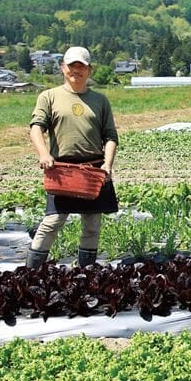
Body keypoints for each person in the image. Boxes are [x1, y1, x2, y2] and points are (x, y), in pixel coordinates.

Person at [26, 46, 119, 268]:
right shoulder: (49, 96)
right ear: (63, 68)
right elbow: (36, 128)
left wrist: (107, 164)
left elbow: (111, 137)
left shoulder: (100, 100)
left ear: (89, 70)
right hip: (62, 168)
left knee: (92, 225)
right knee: (53, 221)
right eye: (71, 66)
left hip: (94, 169)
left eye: (81, 66)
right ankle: (31, 272)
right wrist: (44, 154)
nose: (76, 71)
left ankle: (86, 272)